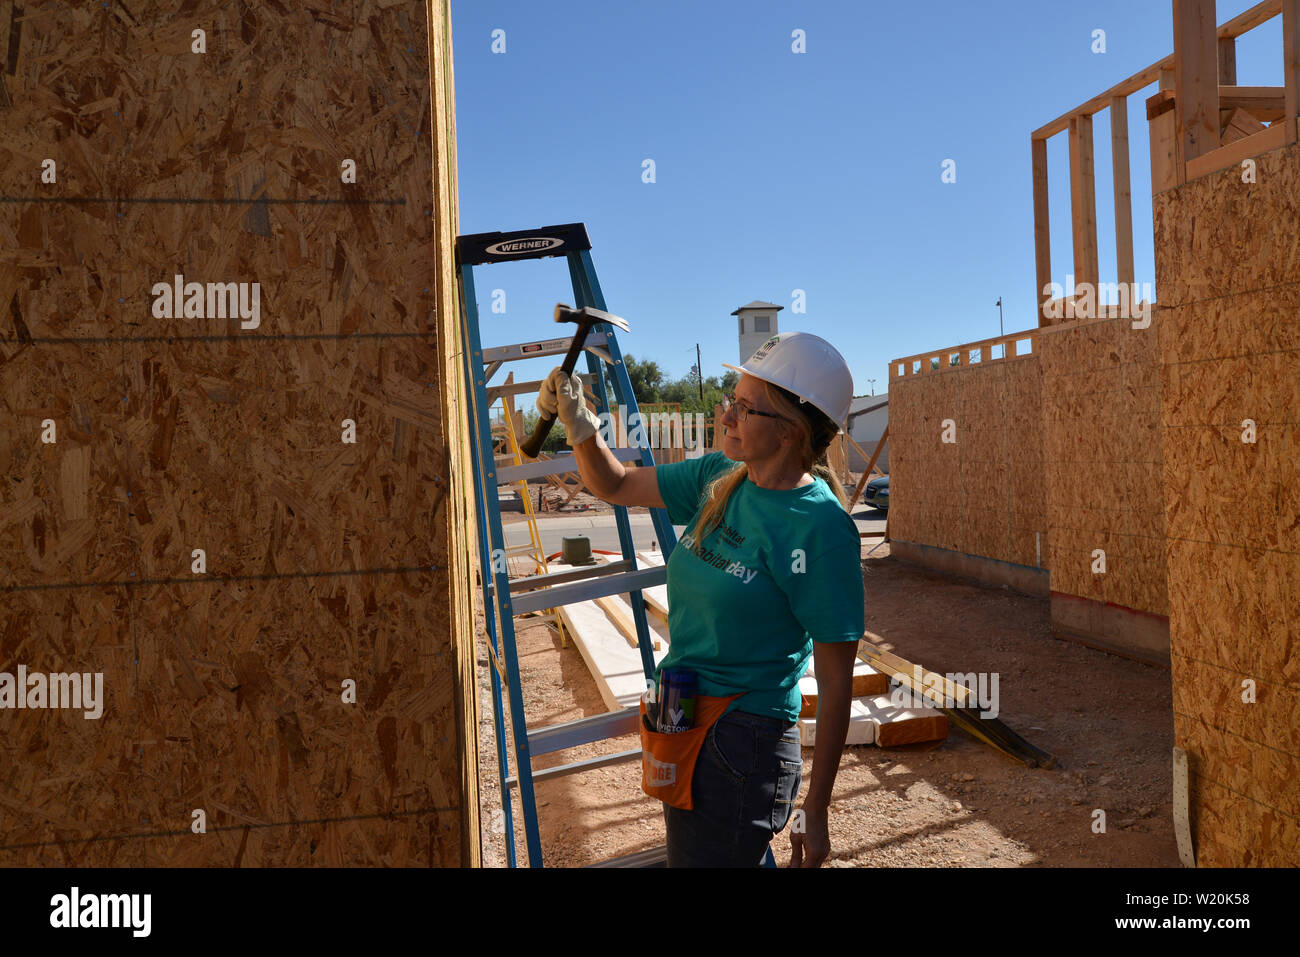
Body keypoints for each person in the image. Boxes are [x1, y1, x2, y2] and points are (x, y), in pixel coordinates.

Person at [538, 331, 864, 867]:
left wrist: (819, 806)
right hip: (685, 710)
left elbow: (835, 681)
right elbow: (616, 485)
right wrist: (580, 425)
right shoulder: (722, 476)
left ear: (791, 432)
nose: (727, 416)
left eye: (744, 407)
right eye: (730, 400)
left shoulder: (819, 528)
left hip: (743, 740)